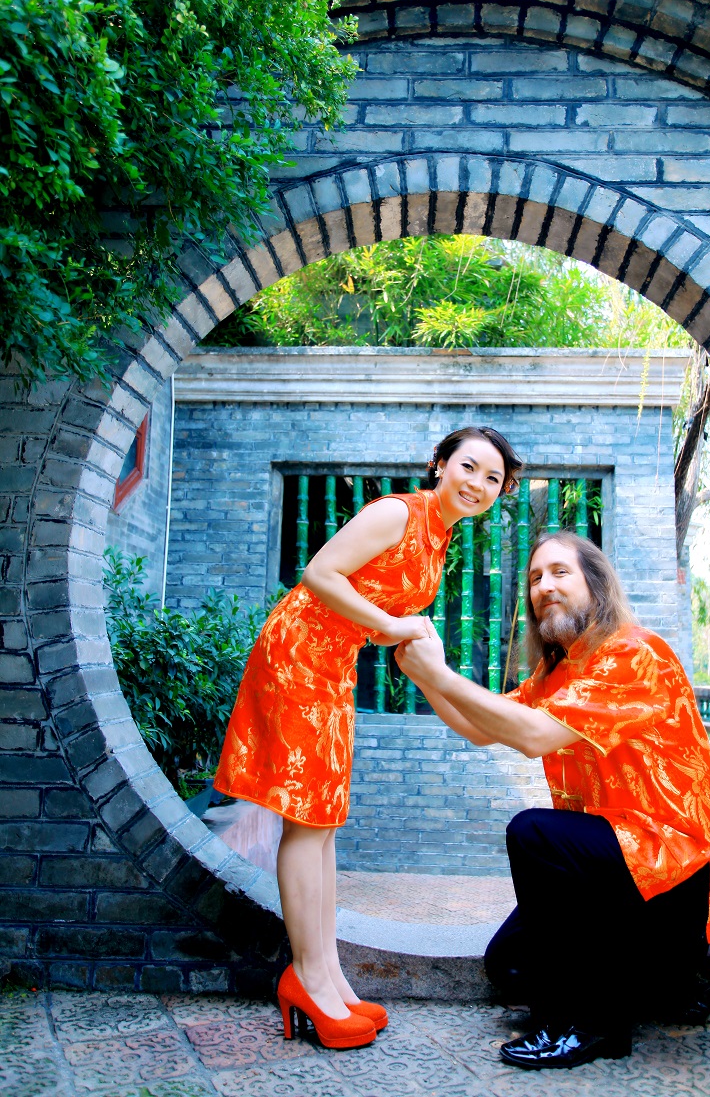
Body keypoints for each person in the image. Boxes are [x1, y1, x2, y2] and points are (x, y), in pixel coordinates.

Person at [214, 427, 522, 1050]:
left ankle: (330, 979)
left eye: (493, 479)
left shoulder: (440, 536)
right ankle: (307, 980)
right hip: (299, 654)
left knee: (322, 823)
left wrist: (398, 636)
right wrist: (391, 623)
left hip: (332, 664)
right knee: (307, 821)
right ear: (439, 465)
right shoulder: (395, 513)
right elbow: (320, 573)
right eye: (469, 467)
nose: (478, 485)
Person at [396, 530, 710, 1071]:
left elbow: (532, 735)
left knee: (534, 833)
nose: (543, 587)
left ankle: (587, 1025)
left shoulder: (633, 653)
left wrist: (439, 672)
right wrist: (425, 677)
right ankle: (653, 988)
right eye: (535, 578)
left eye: (560, 572)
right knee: (508, 966)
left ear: (596, 584)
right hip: (616, 872)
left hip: (676, 872)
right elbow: (483, 728)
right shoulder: (555, 673)